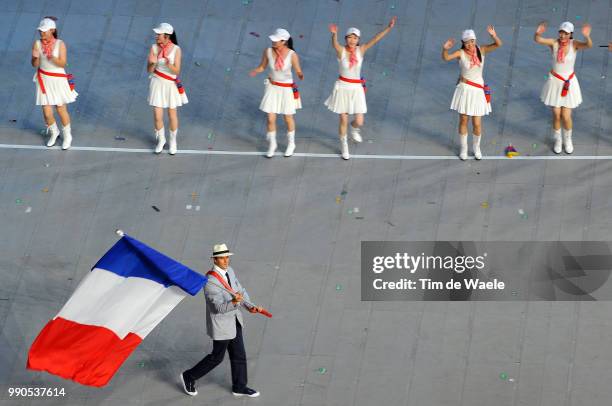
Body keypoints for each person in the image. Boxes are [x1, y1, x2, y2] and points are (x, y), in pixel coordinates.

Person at [181, 244, 262, 398]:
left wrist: (249, 306)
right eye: (222, 258)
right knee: (216, 357)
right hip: (222, 325)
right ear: (215, 259)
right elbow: (217, 308)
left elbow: (240, 290)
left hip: (235, 320)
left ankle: (239, 386)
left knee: (239, 354)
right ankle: (189, 376)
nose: (226, 261)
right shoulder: (210, 282)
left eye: (227, 257)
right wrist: (235, 302)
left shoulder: (230, 271)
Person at [325, 17, 397, 160]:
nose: (352, 40)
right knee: (343, 120)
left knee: (359, 120)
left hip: (356, 88)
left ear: (358, 39)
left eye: (355, 38)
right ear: (346, 39)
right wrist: (334, 35)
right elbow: (335, 44)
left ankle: (354, 128)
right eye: (350, 37)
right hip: (343, 87)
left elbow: (375, 39)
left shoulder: (361, 50)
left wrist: (388, 28)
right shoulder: (341, 51)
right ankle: (344, 145)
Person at [442, 26, 502, 160]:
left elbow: (498, 44)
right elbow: (446, 58)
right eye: (467, 42)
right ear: (463, 42)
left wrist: (493, 35)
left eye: (472, 41)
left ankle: (476, 148)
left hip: (478, 90)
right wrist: (445, 49)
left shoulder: (482, 50)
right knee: (463, 119)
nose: (470, 44)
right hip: (464, 89)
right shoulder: (460, 53)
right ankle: (463, 149)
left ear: (475, 40)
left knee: (477, 123)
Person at [535, 21, 592, 154]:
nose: (562, 35)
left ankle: (568, 140)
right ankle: (558, 140)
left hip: (569, 83)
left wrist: (587, 36)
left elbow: (588, 45)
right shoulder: (554, 43)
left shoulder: (575, 44)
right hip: (555, 82)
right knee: (556, 114)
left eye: (566, 33)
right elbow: (538, 39)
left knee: (566, 116)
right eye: (561, 32)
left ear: (571, 34)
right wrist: (538, 32)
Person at [250, 28, 304, 158]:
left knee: (288, 117)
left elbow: (297, 70)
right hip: (273, 88)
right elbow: (262, 66)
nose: (273, 42)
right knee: (270, 118)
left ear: (283, 41)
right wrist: (256, 71)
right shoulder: (268, 51)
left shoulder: (292, 55)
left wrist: (300, 74)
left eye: (276, 40)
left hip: (286, 89)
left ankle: (291, 143)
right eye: (273, 40)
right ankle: (272, 144)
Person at [31, 17, 78, 150]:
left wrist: (52, 57)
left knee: (60, 109)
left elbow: (63, 63)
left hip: (58, 80)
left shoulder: (60, 44)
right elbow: (34, 64)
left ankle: (67, 135)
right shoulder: (37, 44)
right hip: (44, 80)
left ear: (52, 30)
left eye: (45, 31)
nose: (42, 33)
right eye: (41, 31)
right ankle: (54, 132)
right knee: (46, 112)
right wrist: (35, 58)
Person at [147, 22, 188, 155]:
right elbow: (149, 70)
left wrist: (167, 63)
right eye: (157, 34)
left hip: (170, 85)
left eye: (159, 34)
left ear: (167, 36)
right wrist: (153, 64)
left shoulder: (176, 49)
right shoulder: (153, 48)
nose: (156, 36)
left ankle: (173, 141)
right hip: (157, 83)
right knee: (157, 116)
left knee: (172, 115)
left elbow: (177, 71)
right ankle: (161, 140)